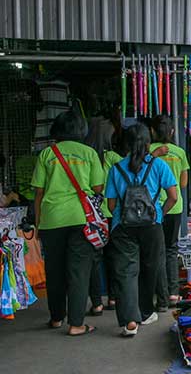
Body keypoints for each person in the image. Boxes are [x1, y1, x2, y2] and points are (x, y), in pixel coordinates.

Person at [31, 111, 103, 336]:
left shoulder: (47, 154)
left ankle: (55, 318)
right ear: (81, 130)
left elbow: (39, 193)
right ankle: (76, 323)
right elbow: (99, 188)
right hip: (81, 219)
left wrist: (38, 224)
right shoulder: (89, 153)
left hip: (52, 220)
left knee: (54, 270)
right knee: (79, 271)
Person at [105, 123, 177, 337]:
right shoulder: (159, 165)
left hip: (123, 226)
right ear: (148, 143)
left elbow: (110, 205)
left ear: (126, 143)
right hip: (152, 225)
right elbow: (173, 197)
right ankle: (146, 313)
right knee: (150, 268)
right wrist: (159, 213)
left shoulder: (116, 168)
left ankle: (130, 322)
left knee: (126, 272)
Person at [150, 115, 190, 309]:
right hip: (175, 206)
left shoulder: (148, 152)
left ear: (152, 132)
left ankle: (160, 296)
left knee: (155, 251)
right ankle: (174, 293)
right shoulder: (179, 152)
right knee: (171, 249)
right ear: (172, 132)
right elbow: (183, 184)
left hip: (152, 207)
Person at [84, 116, 122, 314]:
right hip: (112, 214)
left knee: (94, 260)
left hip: (91, 217)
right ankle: (114, 299)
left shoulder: (86, 157)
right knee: (114, 257)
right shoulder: (114, 158)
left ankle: (97, 302)